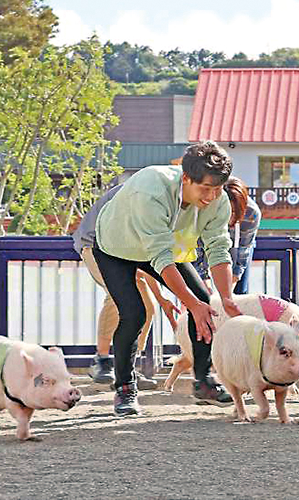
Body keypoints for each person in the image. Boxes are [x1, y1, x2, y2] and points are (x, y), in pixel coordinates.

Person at [92, 140, 240, 416]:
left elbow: (219, 248)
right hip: (115, 247)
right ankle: (125, 389)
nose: (211, 196)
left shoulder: (218, 200)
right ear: (185, 178)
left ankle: (204, 380)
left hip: (159, 247)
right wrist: (192, 307)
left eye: (217, 189)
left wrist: (225, 298)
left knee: (204, 301)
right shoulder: (151, 190)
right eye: (204, 188)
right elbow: (160, 257)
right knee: (134, 313)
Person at [72, 184, 180, 388]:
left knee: (147, 307)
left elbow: (148, 255)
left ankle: (127, 368)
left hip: (123, 249)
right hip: (95, 243)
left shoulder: (166, 199)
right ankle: (101, 361)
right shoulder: (152, 194)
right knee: (118, 295)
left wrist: (162, 300)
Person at [194, 176, 262, 295]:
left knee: (239, 291)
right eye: (224, 212)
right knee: (199, 290)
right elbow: (198, 250)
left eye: (233, 212)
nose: (228, 217)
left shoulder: (251, 214)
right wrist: (206, 286)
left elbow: (243, 250)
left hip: (238, 243)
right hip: (208, 238)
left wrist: (227, 294)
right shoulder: (201, 209)